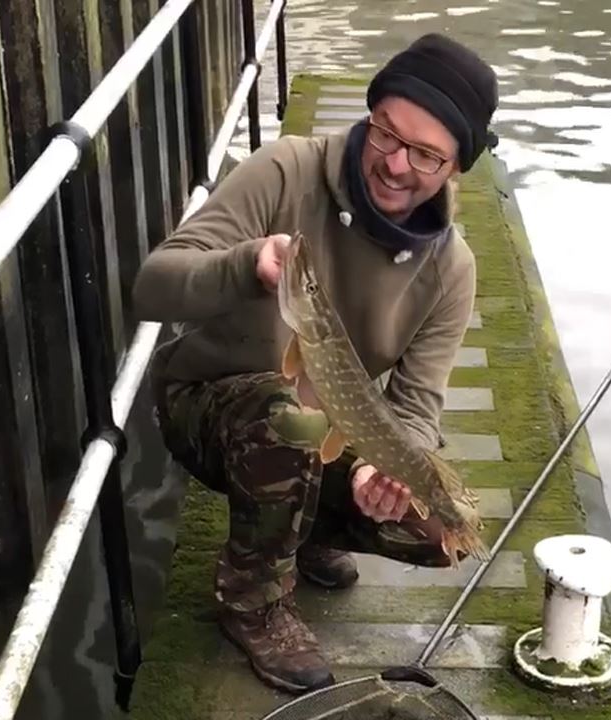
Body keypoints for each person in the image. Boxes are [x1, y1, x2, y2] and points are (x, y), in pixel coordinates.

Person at [131, 33, 499, 694]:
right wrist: (246, 264)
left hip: (323, 422)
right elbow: (153, 286)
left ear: (455, 168)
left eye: (425, 154)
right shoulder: (285, 170)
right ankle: (253, 601)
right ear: (370, 115)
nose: (395, 164)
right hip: (209, 404)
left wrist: (383, 473)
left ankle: (305, 525)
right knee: (289, 417)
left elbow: (416, 408)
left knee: (433, 531)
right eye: (386, 132)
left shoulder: (452, 269)